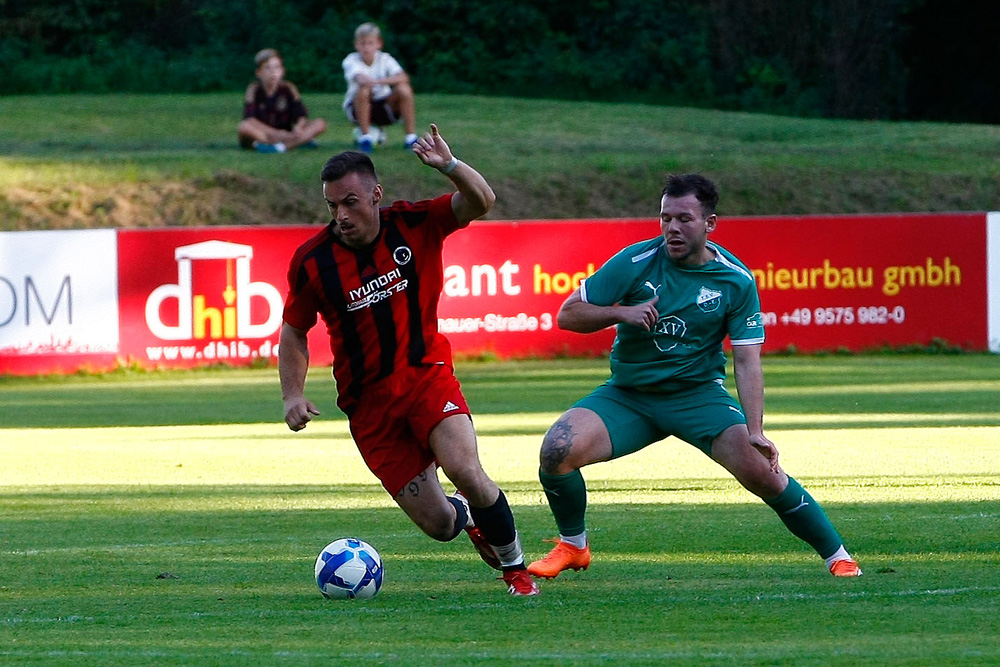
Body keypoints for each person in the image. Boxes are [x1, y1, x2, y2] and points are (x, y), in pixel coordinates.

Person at [527, 173, 862, 580]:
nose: (672, 228)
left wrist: (755, 429)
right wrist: (620, 312)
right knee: (557, 450)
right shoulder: (635, 261)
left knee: (765, 475)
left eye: (684, 219)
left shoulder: (735, 280)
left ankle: (838, 557)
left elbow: (747, 360)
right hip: (630, 395)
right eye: (665, 218)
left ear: (710, 223)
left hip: (698, 397)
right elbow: (568, 314)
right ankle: (573, 547)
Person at [279, 124, 540, 596]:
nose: (341, 215)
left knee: (467, 470)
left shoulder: (415, 223)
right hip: (370, 407)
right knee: (440, 525)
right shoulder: (312, 261)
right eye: (332, 206)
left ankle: (516, 571)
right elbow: (295, 331)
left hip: (426, 378)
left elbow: (482, 201)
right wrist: (292, 394)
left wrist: (450, 167)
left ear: (375, 195)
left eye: (350, 202)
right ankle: (466, 516)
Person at [341, 22, 418, 153]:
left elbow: (403, 77)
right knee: (364, 90)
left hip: (384, 106)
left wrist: (379, 81)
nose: (366, 48)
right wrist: (377, 83)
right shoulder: (351, 60)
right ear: (356, 45)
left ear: (379, 44)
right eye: (362, 43)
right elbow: (359, 78)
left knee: (404, 89)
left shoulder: (385, 59)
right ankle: (366, 138)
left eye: (370, 43)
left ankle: (411, 138)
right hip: (357, 108)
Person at [238, 48, 327, 153]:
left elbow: (301, 114)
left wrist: (299, 126)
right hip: (265, 132)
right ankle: (298, 142)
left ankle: (280, 147)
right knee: (244, 127)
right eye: (267, 68)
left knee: (320, 123)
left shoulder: (289, 88)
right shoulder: (253, 90)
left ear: (282, 70)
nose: (273, 72)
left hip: (287, 132)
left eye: (276, 67)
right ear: (258, 72)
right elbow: (250, 119)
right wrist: (275, 133)